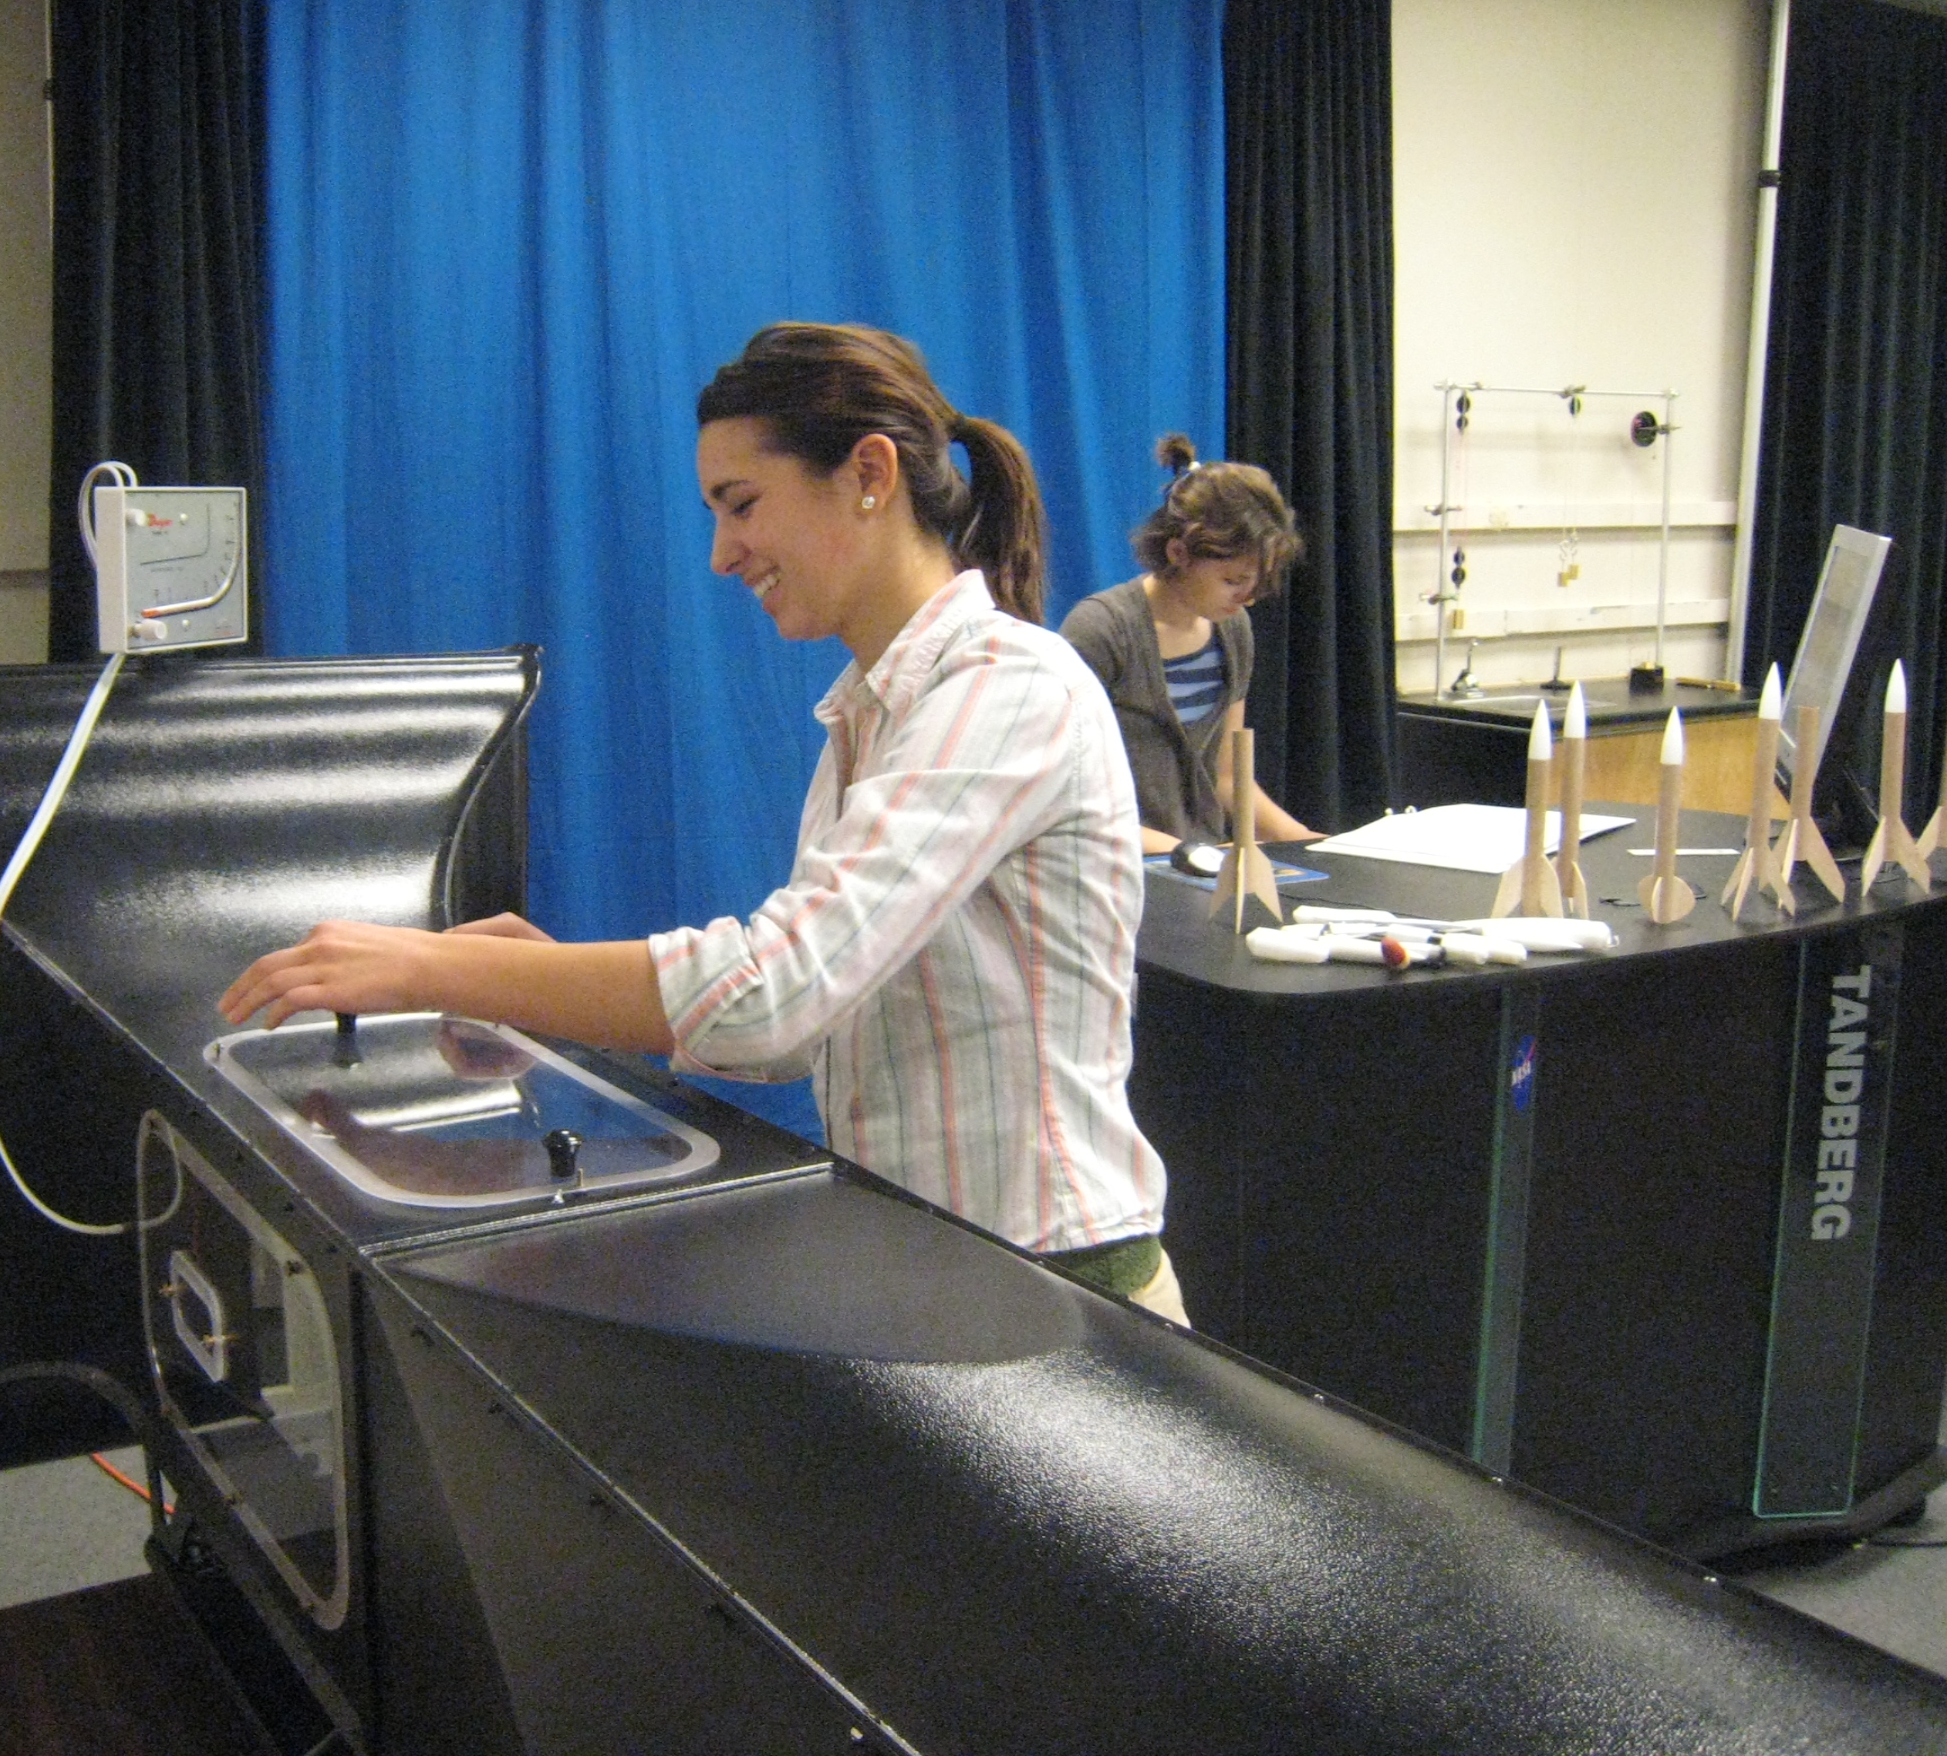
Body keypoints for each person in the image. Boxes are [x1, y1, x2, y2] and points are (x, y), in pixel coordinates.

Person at [220, 322, 1184, 1323]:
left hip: (1062, 1289)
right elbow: (806, 1025)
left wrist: (431, 969)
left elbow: (773, 996)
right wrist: (544, 987)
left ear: (869, 474)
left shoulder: (1007, 686)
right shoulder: (874, 715)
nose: (723, 554)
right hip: (938, 1268)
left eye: (742, 504)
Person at [1060, 435, 1319, 853]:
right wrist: (1190, 857)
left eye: (1255, 582)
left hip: (1197, 860)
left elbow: (1228, 778)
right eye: (1232, 580)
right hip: (1118, 865)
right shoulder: (1102, 630)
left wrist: (1317, 846)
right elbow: (1065, 801)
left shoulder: (1232, 630)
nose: (1247, 598)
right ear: (1178, 552)